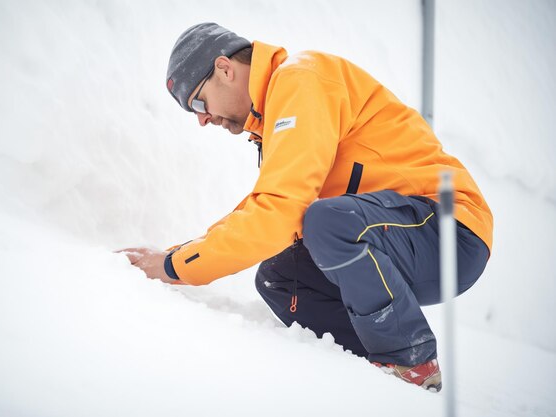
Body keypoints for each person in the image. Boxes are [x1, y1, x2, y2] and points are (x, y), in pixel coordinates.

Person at [119, 23, 493, 392]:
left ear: (224, 69)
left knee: (327, 222)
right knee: (281, 276)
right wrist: (178, 255)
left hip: (447, 227)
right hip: (390, 240)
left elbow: (279, 212)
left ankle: (409, 359)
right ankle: (383, 374)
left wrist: (172, 268)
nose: (202, 119)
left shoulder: (299, 80)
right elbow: (266, 208)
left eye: (198, 102)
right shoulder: (277, 114)